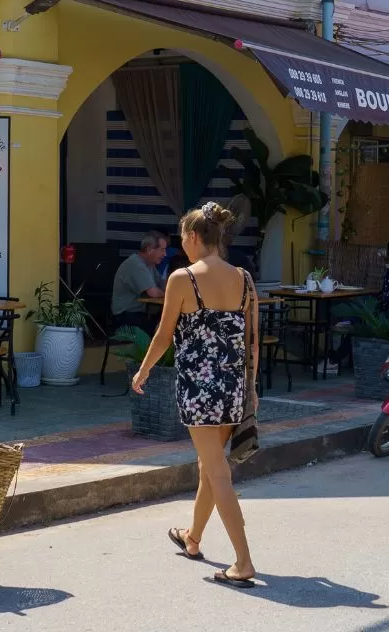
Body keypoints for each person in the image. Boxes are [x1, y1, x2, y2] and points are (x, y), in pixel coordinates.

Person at [132, 201, 258, 588]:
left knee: (218, 473)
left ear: (192, 236)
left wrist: (145, 368)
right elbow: (252, 343)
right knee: (210, 466)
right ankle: (193, 538)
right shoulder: (244, 278)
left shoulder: (182, 278)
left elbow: (163, 334)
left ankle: (243, 563)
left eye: (182, 237)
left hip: (198, 390)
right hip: (233, 387)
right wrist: (250, 391)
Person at [111, 232, 168, 331]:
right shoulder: (136, 264)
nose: (165, 254)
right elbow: (153, 292)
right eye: (162, 250)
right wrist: (169, 294)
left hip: (139, 313)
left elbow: (163, 284)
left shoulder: (150, 264)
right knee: (163, 328)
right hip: (125, 316)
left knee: (170, 320)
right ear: (149, 250)